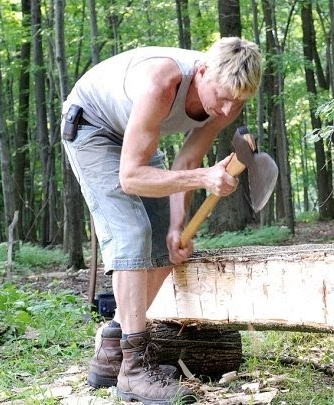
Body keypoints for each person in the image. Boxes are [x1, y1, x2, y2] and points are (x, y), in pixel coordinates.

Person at [60, 37, 262, 404]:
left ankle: (112, 353)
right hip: (91, 125)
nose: (229, 108)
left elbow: (185, 162)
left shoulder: (229, 99)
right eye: (223, 96)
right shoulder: (162, 80)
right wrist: (204, 178)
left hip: (134, 134)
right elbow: (131, 178)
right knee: (132, 233)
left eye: (239, 100)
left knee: (163, 248)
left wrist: (175, 226)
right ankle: (134, 372)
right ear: (202, 72)